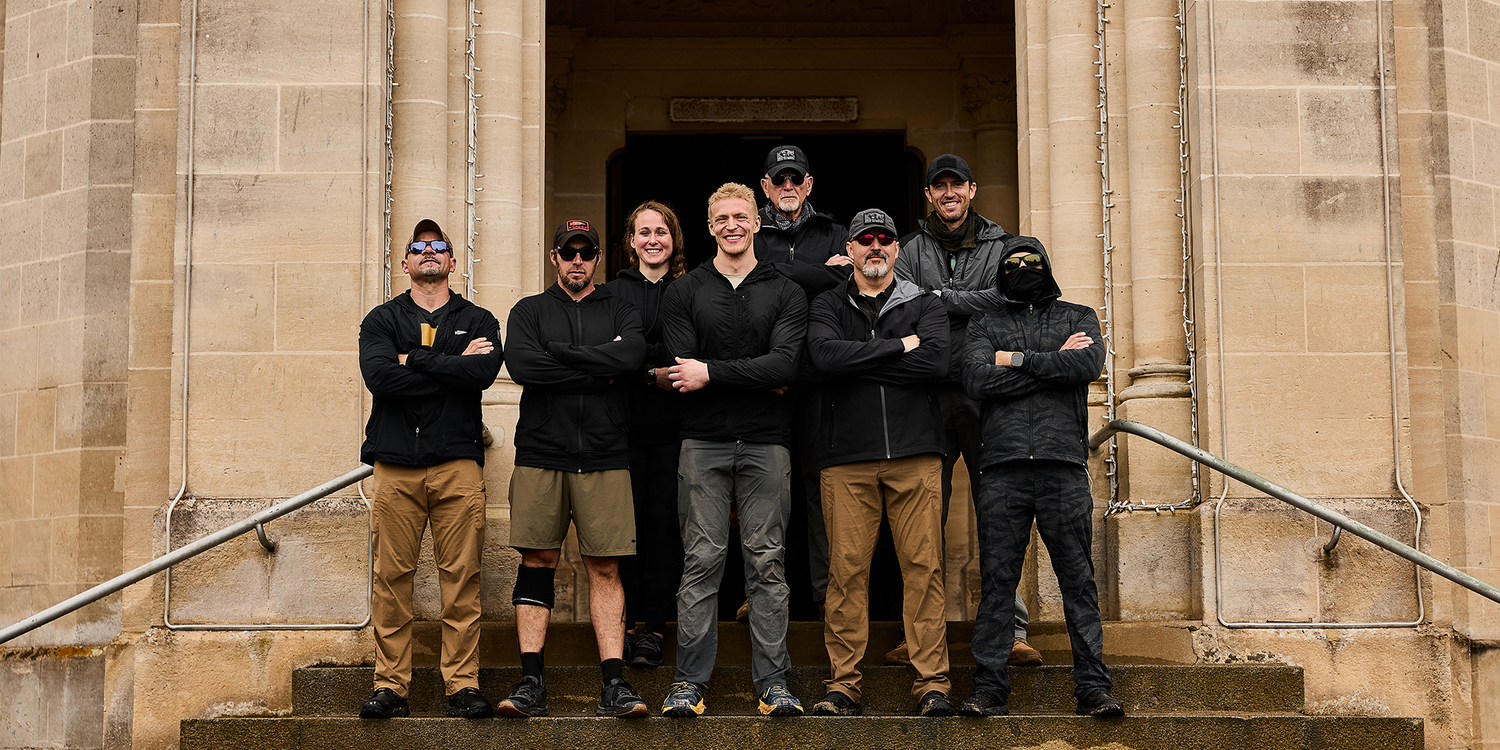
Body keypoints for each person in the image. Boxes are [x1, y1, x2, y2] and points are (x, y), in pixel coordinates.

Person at [659, 183, 808, 717]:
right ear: (709, 226)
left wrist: (714, 372)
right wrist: (755, 374)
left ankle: (774, 685)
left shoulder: (786, 290)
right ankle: (688, 685)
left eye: (741, 216)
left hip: (768, 444)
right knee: (701, 562)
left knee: (767, 564)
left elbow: (786, 366)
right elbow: (682, 369)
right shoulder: (685, 291)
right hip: (703, 443)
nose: (732, 225)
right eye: (721, 217)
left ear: (757, 222)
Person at [957, 236, 1123, 718]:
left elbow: (1088, 364)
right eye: (1013, 263)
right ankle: (989, 689)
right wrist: (1053, 364)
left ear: (1047, 267)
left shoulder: (1078, 315)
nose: (1023, 268)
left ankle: (1093, 687)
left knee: (1078, 581)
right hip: (1003, 469)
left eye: (1032, 262)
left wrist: (1014, 358)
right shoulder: (985, 321)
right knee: (997, 583)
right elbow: (976, 379)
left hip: (1062, 468)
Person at [892, 153, 1042, 668]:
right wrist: (963, 300)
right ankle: (918, 637)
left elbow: (1005, 300)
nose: (949, 193)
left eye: (958, 185)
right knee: (920, 518)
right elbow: (903, 307)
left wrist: (941, 298)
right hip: (926, 395)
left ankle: (1012, 630)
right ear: (930, 195)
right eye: (940, 187)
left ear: (973, 190)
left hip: (987, 395)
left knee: (997, 514)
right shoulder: (909, 249)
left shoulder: (1004, 247)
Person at [804, 208, 954, 717]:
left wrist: (863, 359)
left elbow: (936, 362)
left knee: (924, 570)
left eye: (884, 238)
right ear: (848, 249)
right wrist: (898, 348)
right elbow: (825, 359)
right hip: (846, 458)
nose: (875, 245)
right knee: (845, 574)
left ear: (896, 248)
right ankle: (843, 685)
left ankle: (932, 684)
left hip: (916, 455)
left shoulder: (927, 304)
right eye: (864, 237)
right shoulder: (827, 303)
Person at [499, 219, 649, 718]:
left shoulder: (621, 306)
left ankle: (614, 684)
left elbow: (630, 358)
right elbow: (523, 366)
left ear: (598, 258)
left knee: (605, 566)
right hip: (542, 452)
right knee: (537, 562)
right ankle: (530, 683)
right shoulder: (529, 311)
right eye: (569, 253)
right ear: (554, 258)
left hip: (606, 453)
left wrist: (562, 357)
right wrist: (596, 368)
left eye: (586, 252)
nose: (578, 260)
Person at [357, 218, 503, 720]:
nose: (428, 253)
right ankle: (391, 687)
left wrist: (413, 361)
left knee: (461, 579)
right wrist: (448, 362)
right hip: (395, 466)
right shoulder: (380, 319)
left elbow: (481, 373)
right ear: (405, 263)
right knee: (391, 579)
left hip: (456, 464)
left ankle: (462, 685)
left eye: (437, 246)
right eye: (418, 247)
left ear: (452, 261)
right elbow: (379, 377)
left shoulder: (480, 319)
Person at [754, 144, 851, 618]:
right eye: (780, 180)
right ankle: (760, 596)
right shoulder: (747, 233)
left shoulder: (837, 231)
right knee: (763, 489)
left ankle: (823, 595)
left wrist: (776, 274)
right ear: (765, 187)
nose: (788, 187)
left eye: (796, 179)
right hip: (763, 380)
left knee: (818, 487)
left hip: (818, 381)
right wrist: (815, 273)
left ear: (808, 184)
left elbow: (850, 283)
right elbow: (743, 282)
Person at [605, 201, 688, 669]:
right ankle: (627, 625)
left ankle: (655, 628)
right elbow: (611, 354)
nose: (653, 239)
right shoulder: (612, 293)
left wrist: (635, 357)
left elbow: (689, 348)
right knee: (625, 535)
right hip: (621, 431)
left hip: (677, 431)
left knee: (663, 532)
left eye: (662, 231)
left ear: (673, 239)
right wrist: (648, 366)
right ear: (631, 241)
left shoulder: (691, 288)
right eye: (644, 232)